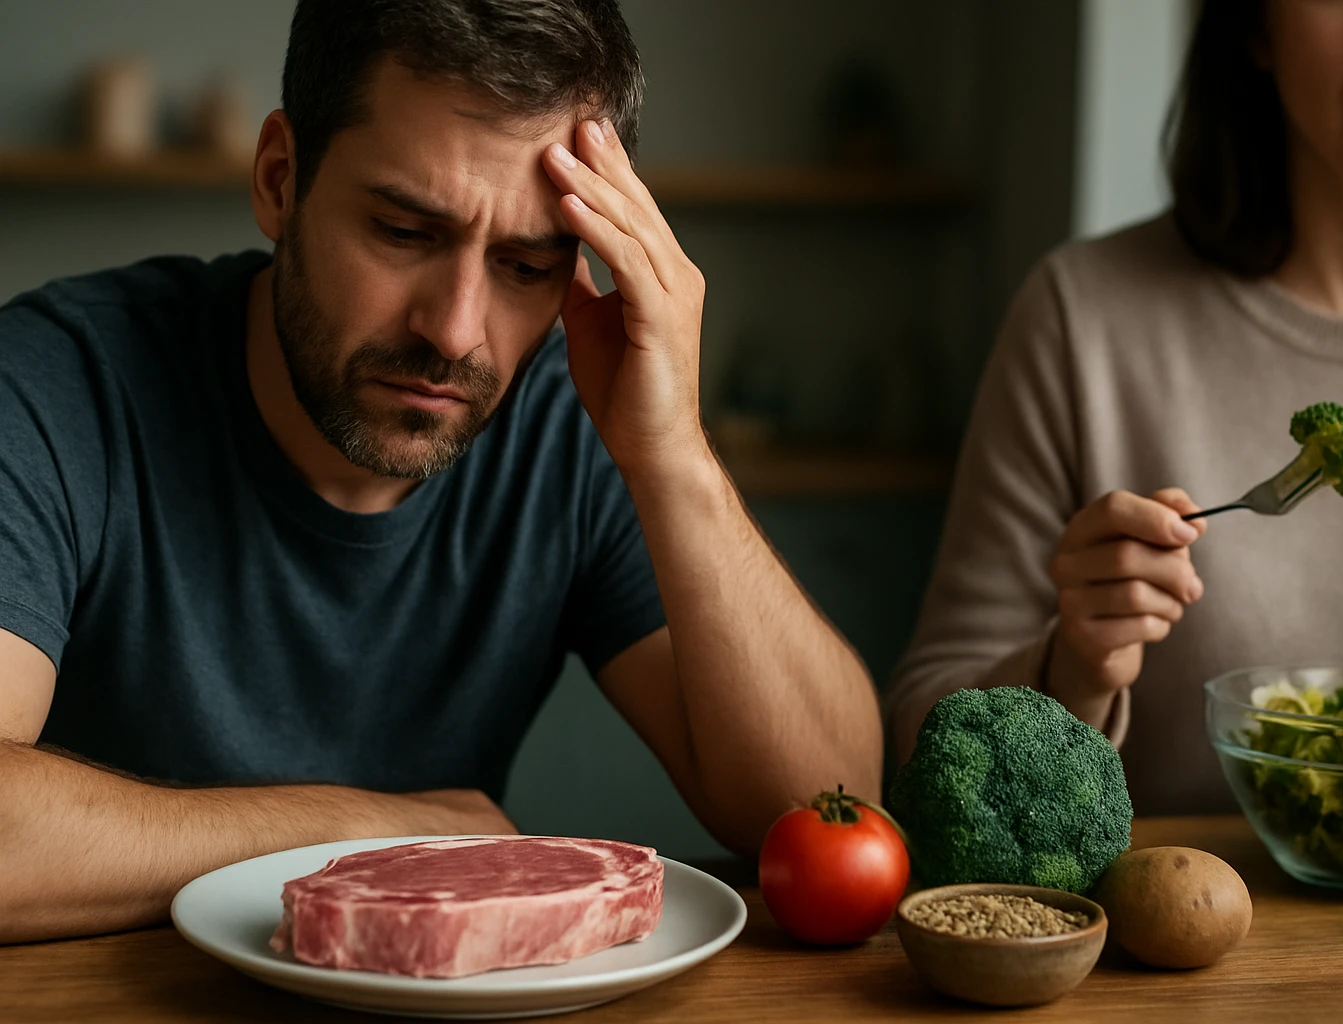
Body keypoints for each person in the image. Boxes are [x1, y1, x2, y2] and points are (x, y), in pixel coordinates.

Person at [0, 0, 882, 944]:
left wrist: (677, 459)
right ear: (279, 177)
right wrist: (369, 826)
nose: (455, 332)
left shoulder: (576, 422)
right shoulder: (53, 385)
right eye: (404, 232)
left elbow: (830, 810)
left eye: (526, 264)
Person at [887, 0, 1343, 815]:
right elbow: (921, 738)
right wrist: (1070, 669)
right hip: (1179, 934)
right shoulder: (1084, 316)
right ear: (1256, 24)